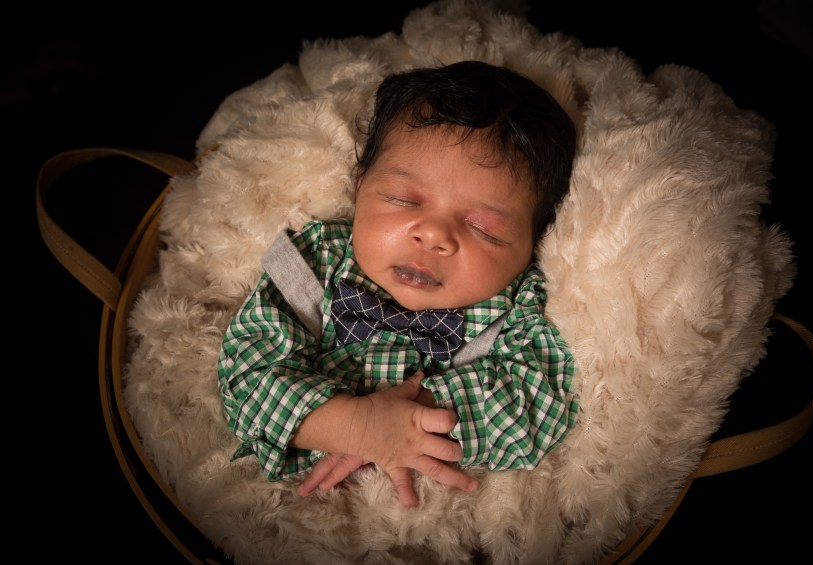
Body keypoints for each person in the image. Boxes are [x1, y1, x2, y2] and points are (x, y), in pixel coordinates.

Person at [217, 60, 579, 509]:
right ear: (359, 185)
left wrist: (411, 424)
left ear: (534, 242)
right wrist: (355, 426)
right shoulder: (316, 261)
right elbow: (247, 373)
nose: (433, 235)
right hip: (287, 502)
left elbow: (540, 401)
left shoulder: (518, 307)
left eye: (484, 227)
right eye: (403, 199)